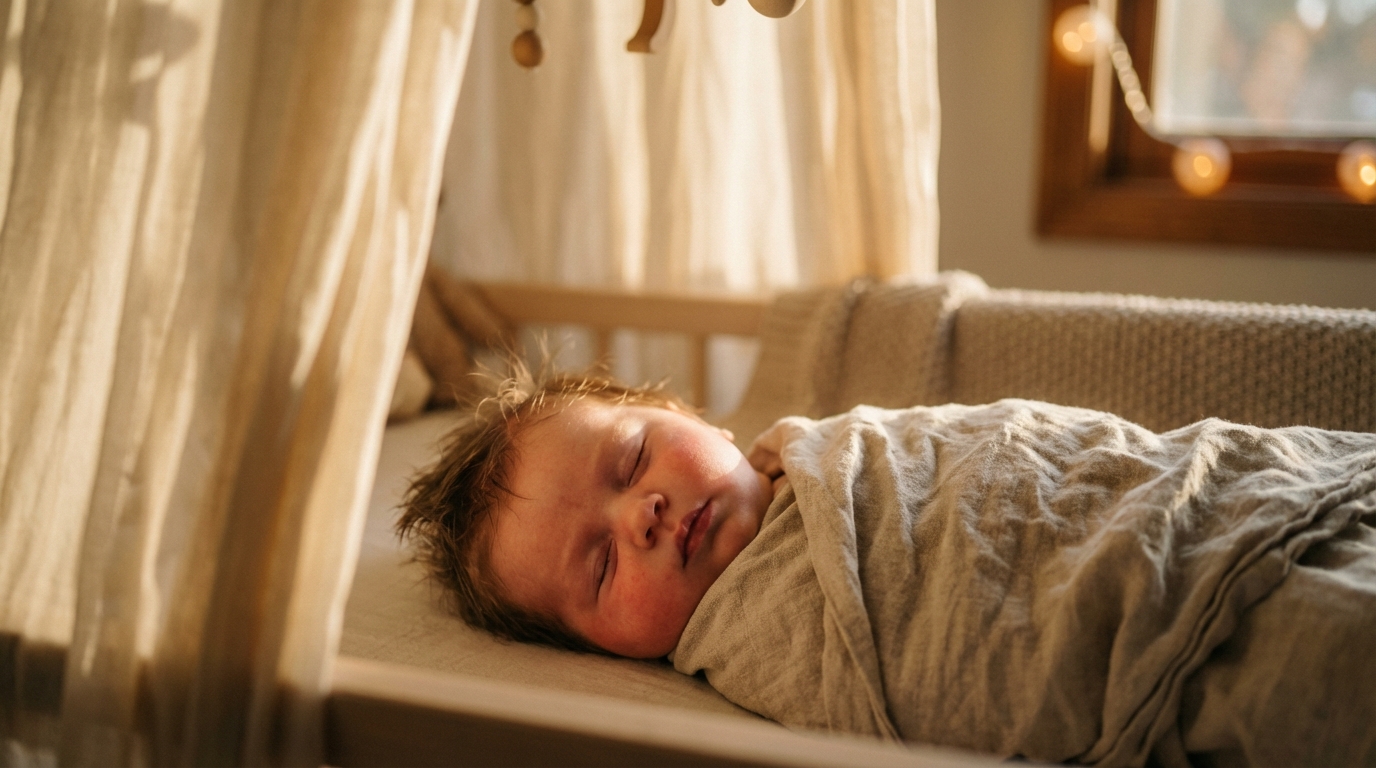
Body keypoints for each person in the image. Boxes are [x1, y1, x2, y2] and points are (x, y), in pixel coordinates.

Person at [399, 363, 1376, 766]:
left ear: (687, 414)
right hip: (1204, 626)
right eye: (601, 568)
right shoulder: (752, 638)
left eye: (629, 460)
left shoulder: (826, 450)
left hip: (1221, 494)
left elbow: (1016, 456)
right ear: (596, 650)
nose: (642, 515)